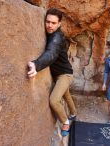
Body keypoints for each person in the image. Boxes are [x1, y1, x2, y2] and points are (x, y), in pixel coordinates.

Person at [27, 8, 76, 137]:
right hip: (58, 74)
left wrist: (36, 65)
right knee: (66, 95)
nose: (49, 25)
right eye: (47, 22)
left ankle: (65, 122)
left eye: (53, 23)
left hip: (65, 74)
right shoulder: (50, 33)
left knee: (54, 100)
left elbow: (51, 53)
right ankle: (74, 113)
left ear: (59, 24)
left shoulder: (57, 37)